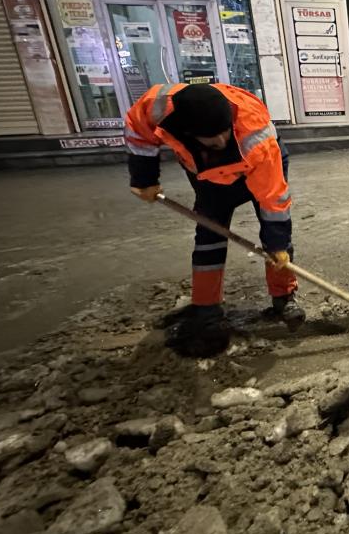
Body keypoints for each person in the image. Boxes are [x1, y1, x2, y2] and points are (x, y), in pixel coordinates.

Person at [125, 82, 303, 347]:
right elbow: (138, 131)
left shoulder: (256, 137)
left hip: (253, 169)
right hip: (208, 177)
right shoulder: (157, 106)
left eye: (223, 133)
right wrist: (144, 177)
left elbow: (273, 200)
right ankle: (206, 308)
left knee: (276, 241)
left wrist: (277, 244)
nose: (220, 141)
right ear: (188, 132)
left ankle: (284, 298)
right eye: (211, 137)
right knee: (209, 237)